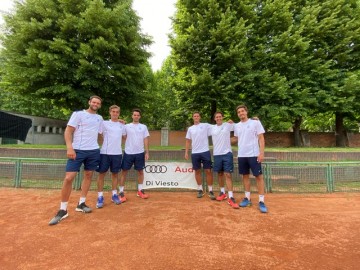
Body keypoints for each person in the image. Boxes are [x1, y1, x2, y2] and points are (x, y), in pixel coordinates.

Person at [49, 95, 104, 225]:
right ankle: (63, 210)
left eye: (98, 103)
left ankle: (81, 203)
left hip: (93, 151)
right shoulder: (78, 114)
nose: (96, 104)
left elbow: (101, 132)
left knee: (89, 175)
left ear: (100, 105)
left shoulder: (99, 118)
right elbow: (68, 131)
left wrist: (118, 121)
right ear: (89, 102)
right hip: (77, 151)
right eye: (94, 102)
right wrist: (70, 148)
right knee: (69, 177)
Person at [233, 104, 268, 213]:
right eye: (239, 112)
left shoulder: (255, 123)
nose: (241, 113)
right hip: (242, 155)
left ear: (246, 112)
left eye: (242, 111)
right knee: (245, 176)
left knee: (259, 176)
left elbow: (261, 138)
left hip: (254, 154)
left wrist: (261, 153)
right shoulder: (237, 126)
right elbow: (236, 139)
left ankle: (261, 201)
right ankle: (247, 198)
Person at [95, 105, 126, 208]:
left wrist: (123, 122)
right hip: (105, 153)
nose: (115, 113)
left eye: (117, 112)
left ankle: (114, 195)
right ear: (110, 112)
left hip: (117, 154)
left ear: (119, 113)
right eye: (113, 111)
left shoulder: (122, 125)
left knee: (115, 174)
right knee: (101, 174)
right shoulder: (104, 123)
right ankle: (100, 197)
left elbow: (124, 136)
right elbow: (98, 134)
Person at [118, 108, 150, 201]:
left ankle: (140, 191)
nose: (136, 116)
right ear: (132, 116)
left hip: (140, 153)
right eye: (134, 115)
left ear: (140, 116)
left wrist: (147, 152)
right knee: (124, 172)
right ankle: (121, 192)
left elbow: (146, 139)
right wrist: (120, 124)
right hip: (128, 152)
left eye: (138, 115)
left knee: (140, 172)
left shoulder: (143, 127)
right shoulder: (126, 126)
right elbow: (124, 137)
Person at [210, 111, 239, 209]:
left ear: (222, 117)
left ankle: (231, 196)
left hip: (227, 153)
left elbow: (240, 125)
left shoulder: (228, 125)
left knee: (228, 174)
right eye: (216, 117)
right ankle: (222, 192)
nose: (218, 118)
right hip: (217, 154)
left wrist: (255, 120)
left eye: (220, 117)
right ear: (215, 119)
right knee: (220, 174)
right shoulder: (212, 128)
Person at [185, 112, 215, 199]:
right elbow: (188, 141)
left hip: (205, 151)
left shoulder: (206, 125)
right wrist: (186, 152)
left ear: (200, 117)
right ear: (192, 118)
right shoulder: (190, 129)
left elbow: (217, 126)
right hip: (195, 153)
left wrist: (228, 123)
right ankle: (200, 189)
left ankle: (210, 190)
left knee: (208, 171)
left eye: (197, 116)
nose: (196, 117)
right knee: (197, 171)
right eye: (194, 116)